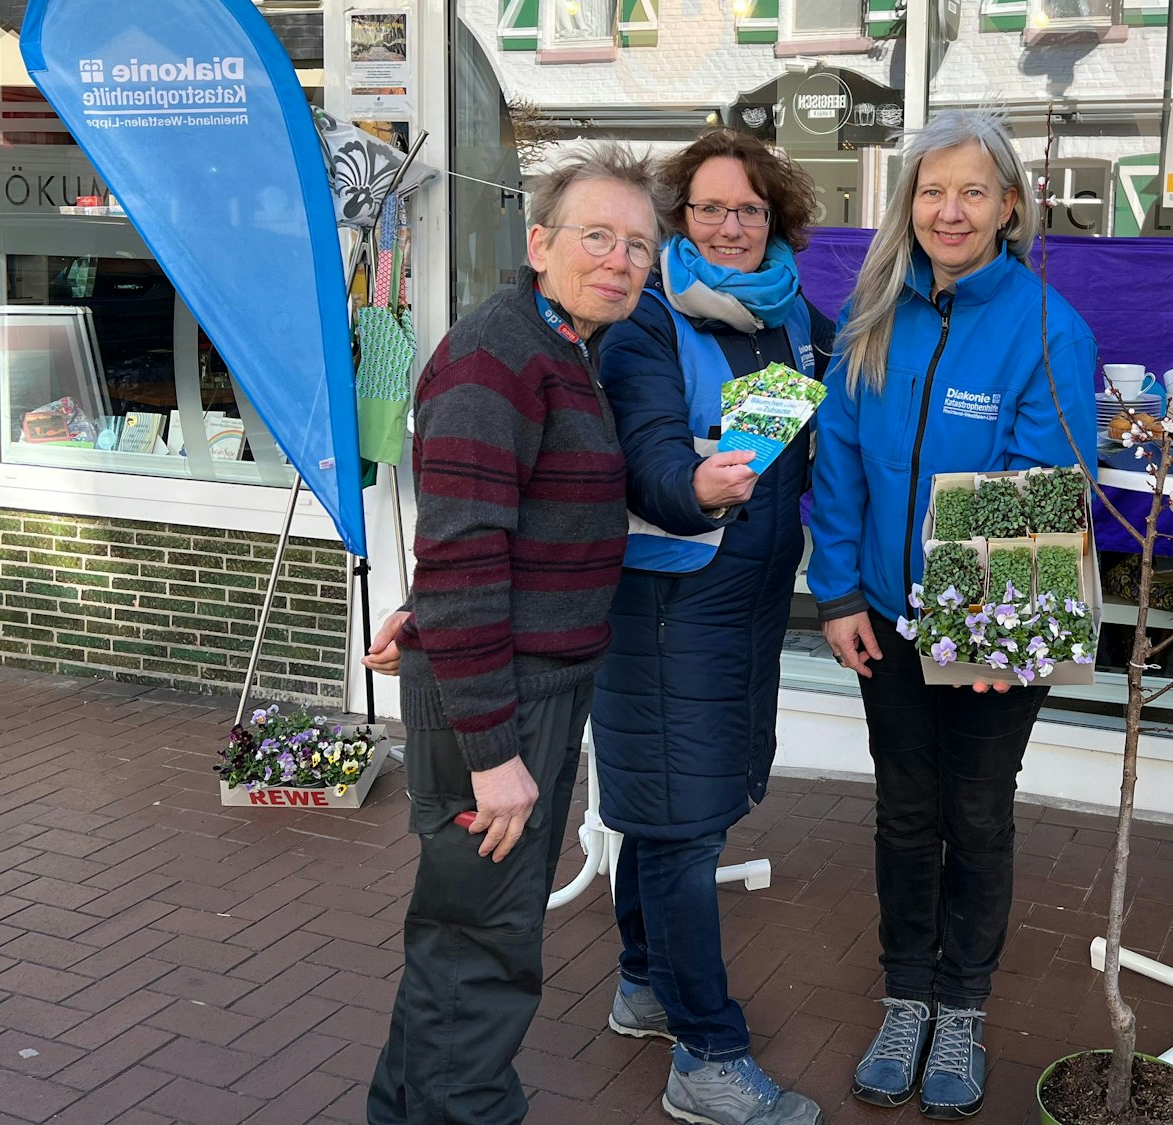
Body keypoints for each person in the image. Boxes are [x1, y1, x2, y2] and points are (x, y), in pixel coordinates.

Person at [364, 143, 663, 1125]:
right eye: (595, 237)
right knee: (485, 953)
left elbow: (488, 526)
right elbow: (460, 553)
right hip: (499, 703)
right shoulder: (499, 356)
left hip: (517, 683)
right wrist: (494, 755)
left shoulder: (561, 347)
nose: (619, 260)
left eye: (638, 245)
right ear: (538, 243)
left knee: (459, 943)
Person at [808, 109, 1098, 1120]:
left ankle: (961, 1005)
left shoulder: (1045, 327)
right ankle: (904, 997)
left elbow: (1043, 478)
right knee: (903, 811)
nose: (950, 209)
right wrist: (838, 593)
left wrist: (992, 627)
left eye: (973, 190)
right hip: (884, 619)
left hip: (985, 635)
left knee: (973, 815)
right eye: (932, 189)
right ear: (907, 204)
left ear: (1009, 206)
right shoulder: (871, 317)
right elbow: (838, 462)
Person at [589, 129, 832, 1125]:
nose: (729, 228)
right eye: (708, 210)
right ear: (676, 218)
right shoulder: (644, 320)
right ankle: (706, 1056)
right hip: (665, 605)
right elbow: (645, 444)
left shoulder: (794, 321)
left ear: (775, 219)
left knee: (679, 809)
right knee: (682, 826)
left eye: (747, 210)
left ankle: (644, 980)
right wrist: (691, 484)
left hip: (749, 605)